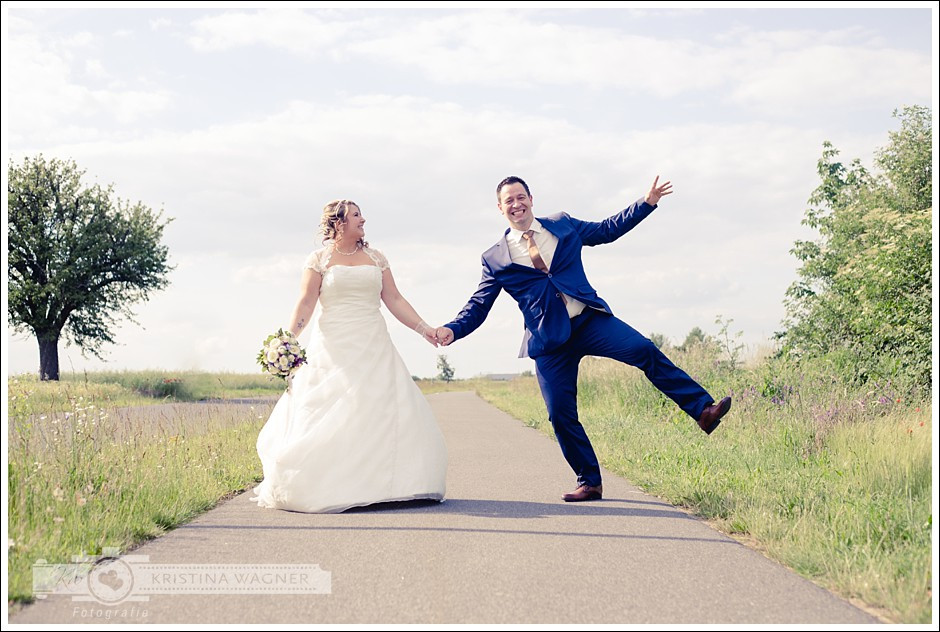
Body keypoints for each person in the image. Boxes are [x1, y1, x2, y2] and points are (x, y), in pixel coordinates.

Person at [435, 176, 731, 502]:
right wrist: (454, 329)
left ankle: (703, 410)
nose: (516, 204)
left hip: (589, 321)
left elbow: (606, 230)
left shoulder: (563, 225)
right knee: (560, 414)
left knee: (643, 349)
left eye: (521, 197)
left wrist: (646, 203)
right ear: (500, 208)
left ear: (531, 198)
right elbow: (479, 304)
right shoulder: (495, 258)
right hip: (549, 341)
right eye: (509, 201)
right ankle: (589, 481)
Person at [251, 199, 447, 513]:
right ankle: (331, 483)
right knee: (330, 407)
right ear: (339, 223)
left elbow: (394, 299)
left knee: (379, 408)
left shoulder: (376, 257)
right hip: (332, 345)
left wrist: (425, 329)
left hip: (373, 342)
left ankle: (388, 486)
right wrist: (287, 339)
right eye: (356, 215)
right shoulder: (319, 259)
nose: (363, 220)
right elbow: (305, 303)